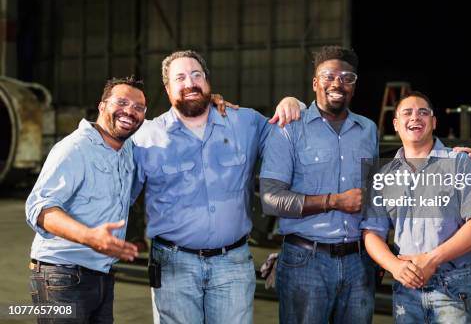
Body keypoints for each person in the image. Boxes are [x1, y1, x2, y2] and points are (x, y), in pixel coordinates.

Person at [131, 50, 303, 324]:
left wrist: (293, 103)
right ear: (167, 88)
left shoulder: (245, 122)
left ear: (208, 82)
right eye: (180, 77)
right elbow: (118, 191)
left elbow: (292, 143)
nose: (190, 82)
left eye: (197, 74)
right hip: (173, 266)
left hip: (232, 265)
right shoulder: (146, 137)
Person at [259, 46, 378, 324]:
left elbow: (374, 197)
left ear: (354, 86)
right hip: (305, 262)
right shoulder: (289, 128)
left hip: (359, 263)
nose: (338, 83)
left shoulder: (368, 130)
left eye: (347, 77)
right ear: (315, 83)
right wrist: (334, 201)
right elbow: (270, 199)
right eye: (329, 75)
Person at [361, 91, 471, 323]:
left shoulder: (460, 164)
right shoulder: (385, 176)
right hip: (406, 287)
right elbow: (372, 232)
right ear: (396, 124)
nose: (415, 117)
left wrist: (431, 260)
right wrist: (394, 266)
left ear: (433, 122)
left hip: (453, 285)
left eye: (423, 112)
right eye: (407, 113)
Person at [25, 76, 146, 323]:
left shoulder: (126, 150)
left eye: (138, 108)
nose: (130, 112)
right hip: (61, 277)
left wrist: (212, 102)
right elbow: (39, 208)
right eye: (121, 102)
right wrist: (90, 237)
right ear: (102, 106)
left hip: (101, 274)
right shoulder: (74, 148)